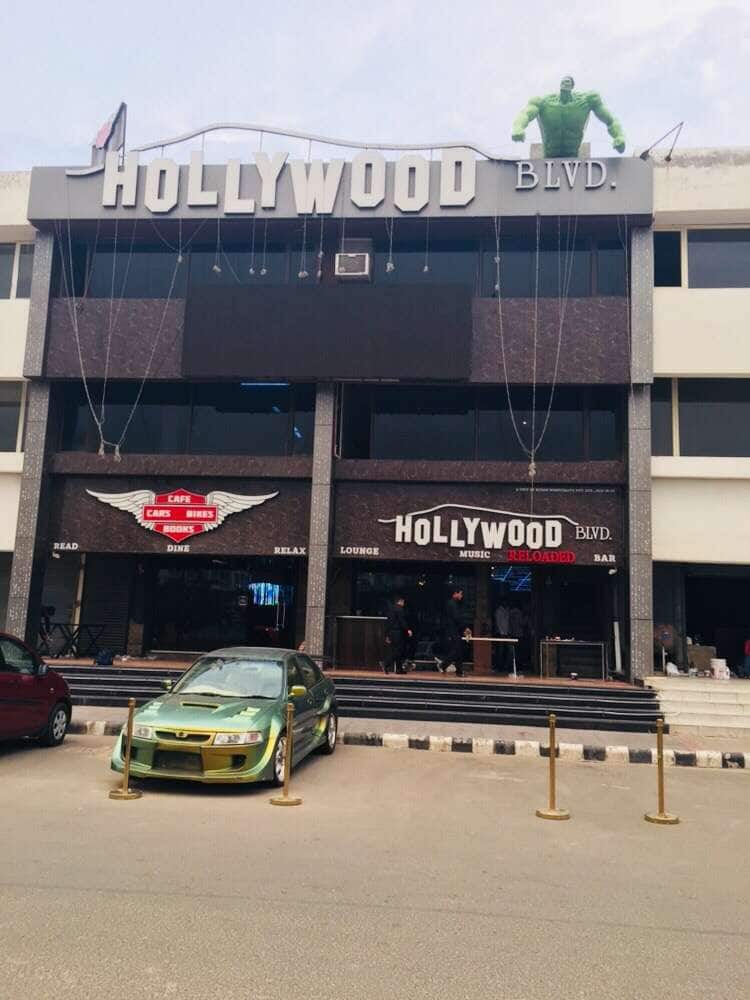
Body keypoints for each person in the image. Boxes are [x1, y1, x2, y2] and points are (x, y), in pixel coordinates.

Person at [512, 75, 626, 158]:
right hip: (548, 157)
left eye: (568, 81)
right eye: (564, 81)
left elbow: (610, 120)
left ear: (572, 86)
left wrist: (619, 136)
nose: (566, 82)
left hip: (574, 157)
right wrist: (518, 128)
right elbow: (525, 114)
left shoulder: (586, 101)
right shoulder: (544, 102)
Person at [436, 588, 471, 678]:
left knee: (458, 650)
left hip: (454, 630)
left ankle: (458, 671)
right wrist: (465, 627)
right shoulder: (451, 603)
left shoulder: (454, 604)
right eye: (460, 594)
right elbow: (456, 617)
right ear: (455, 593)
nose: (461, 596)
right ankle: (444, 664)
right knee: (456, 650)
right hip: (451, 630)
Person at [383, 595, 412, 675]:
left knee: (395, 650)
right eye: (403, 602)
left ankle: (399, 669)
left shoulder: (390, 610)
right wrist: (408, 629)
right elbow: (402, 620)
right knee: (399, 650)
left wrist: (387, 634)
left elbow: (388, 623)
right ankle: (386, 663)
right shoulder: (400, 609)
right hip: (398, 632)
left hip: (391, 632)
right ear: (400, 601)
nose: (404, 604)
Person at [493, 600, 511, 673]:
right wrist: (501, 633)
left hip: (507, 633)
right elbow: (498, 623)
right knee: (500, 650)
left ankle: (505, 666)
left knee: (507, 650)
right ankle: (499, 666)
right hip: (501, 633)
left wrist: (508, 632)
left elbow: (508, 622)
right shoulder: (498, 611)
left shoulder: (507, 610)